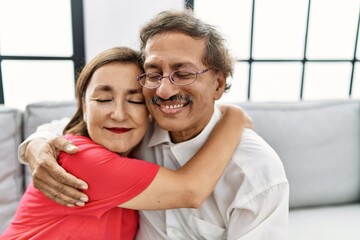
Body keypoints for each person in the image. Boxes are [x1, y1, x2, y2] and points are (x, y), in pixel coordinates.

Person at [17, 9, 289, 239]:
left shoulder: (256, 172)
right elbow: (70, 128)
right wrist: (35, 147)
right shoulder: (131, 131)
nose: (164, 91)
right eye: (153, 74)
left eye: (183, 73)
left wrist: (234, 116)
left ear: (218, 84)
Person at [1, 46, 249, 240]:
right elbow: (190, 190)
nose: (119, 114)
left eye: (135, 101)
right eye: (104, 98)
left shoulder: (136, 153)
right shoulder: (79, 157)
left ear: (152, 110)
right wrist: (235, 117)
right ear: (85, 107)